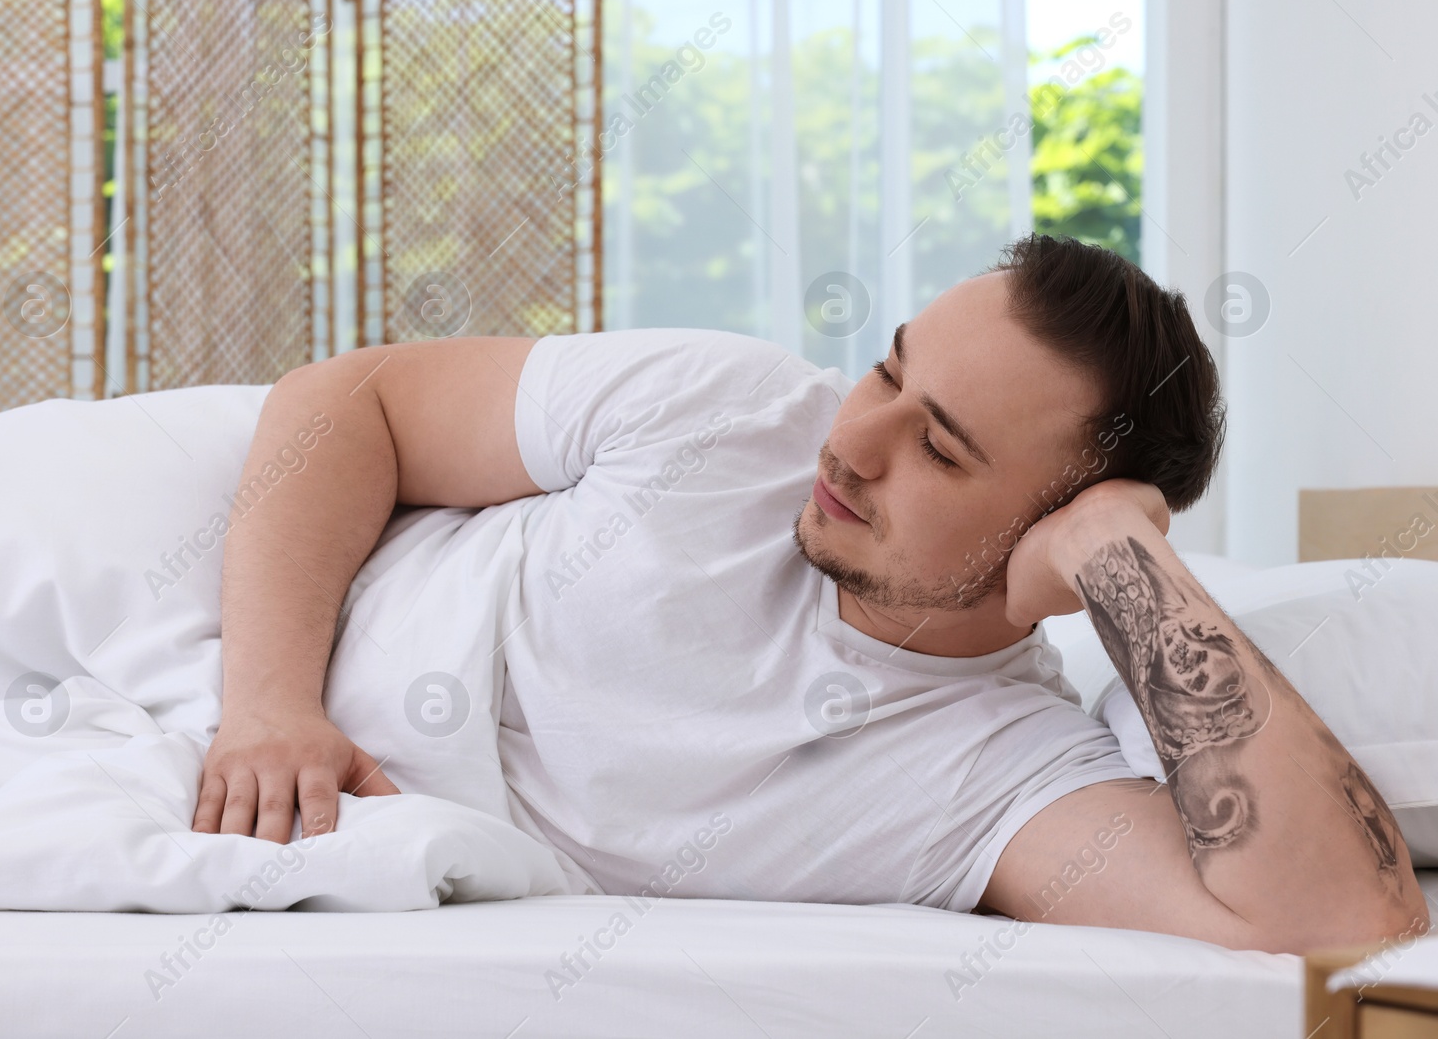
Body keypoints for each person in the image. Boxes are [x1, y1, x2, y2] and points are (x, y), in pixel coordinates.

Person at [196, 233, 1427, 953]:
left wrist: (1127, 561)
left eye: (941, 449)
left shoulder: (997, 772)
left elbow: (1339, 927)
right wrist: (262, 704)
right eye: (887, 369)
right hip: (237, 604)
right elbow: (339, 403)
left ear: (1056, 538)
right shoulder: (725, 409)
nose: (853, 441)